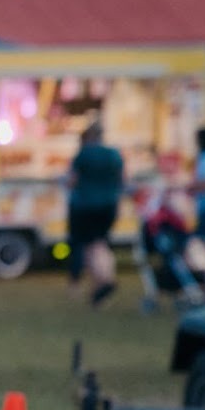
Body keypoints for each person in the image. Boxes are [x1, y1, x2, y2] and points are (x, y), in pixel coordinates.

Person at [66, 121, 125, 307]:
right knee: (102, 242)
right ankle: (100, 286)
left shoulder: (83, 155)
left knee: (89, 246)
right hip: (109, 205)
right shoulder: (114, 154)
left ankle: (104, 280)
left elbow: (72, 181)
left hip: (84, 206)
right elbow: (122, 179)